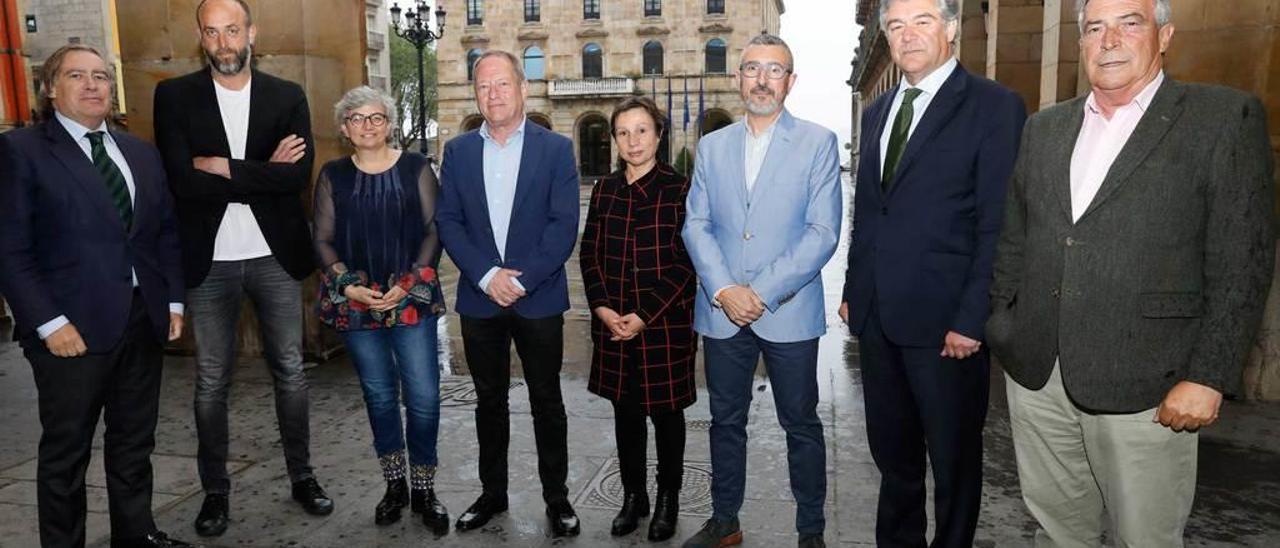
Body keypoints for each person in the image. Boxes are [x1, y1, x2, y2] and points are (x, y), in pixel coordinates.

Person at [986, 0, 1275, 545]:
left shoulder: (1220, 119)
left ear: (1164, 36)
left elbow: (1243, 259)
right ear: (1081, 44)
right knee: (1058, 531)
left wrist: (1209, 374)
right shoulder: (1045, 128)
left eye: (1129, 22)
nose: (1110, 39)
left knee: (1146, 536)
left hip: (1150, 383)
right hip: (1038, 377)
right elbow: (1015, 239)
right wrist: (1005, 321)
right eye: (1095, 27)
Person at [838, 0, 1027, 546]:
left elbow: (1000, 224)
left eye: (922, 22)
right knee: (894, 462)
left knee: (954, 465)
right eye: (895, 26)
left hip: (949, 328)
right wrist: (854, 291)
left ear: (949, 30)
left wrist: (974, 318)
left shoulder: (994, 107)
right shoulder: (877, 112)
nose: (907, 35)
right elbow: (870, 211)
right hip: (880, 322)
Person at [152, 0, 331, 537]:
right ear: (200, 38)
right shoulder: (174, 96)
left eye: (232, 30)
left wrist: (224, 167)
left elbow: (295, 178)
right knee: (210, 382)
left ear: (251, 31)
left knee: (291, 373)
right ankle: (214, 494)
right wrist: (261, 170)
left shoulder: (286, 96)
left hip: (274, 256)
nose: (223, 42)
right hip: (209, 262)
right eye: (212, 32)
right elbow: (182, 183)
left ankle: (303, 477)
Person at [0, 44, 190, 548]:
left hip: (140, 320)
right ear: (50, 87)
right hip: (70, 331)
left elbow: (164, 233)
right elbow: (9, 248)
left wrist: (171, 302)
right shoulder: (21, 151)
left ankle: (137, 534)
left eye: (101, 76)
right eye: (77, 75)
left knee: (134, 442)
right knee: (67, 453)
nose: (91, 85)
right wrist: (47, 323)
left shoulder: (139, 153)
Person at [680, 34, 842, 548]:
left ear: (790, 82)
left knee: (801, 424)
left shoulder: (818, 143)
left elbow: (823, 233)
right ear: (738, 78)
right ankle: (725, 520)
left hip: (789, 312)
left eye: (775, 71)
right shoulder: (711, 146)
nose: (763, 80)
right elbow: (696, 224)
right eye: (753, 68)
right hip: (722, 312)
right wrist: (726, 288)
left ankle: (810, 531)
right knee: (725, 421)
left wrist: (761, 292)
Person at [435, 50, 582, 538]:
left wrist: (519, 280)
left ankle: (557, 498)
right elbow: (449, 222)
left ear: (523, 89)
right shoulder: (457, 153)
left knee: (547, 401)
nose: (492, 95)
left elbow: (564, 226)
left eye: (502, 85)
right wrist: (485, 275)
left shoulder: (556, 149)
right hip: (480, 300)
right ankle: (492, 494)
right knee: (488, 401)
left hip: (537, 298)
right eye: (483, 87)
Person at [312, 86, 450, 533]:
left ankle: (425, 487)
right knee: (379, 396)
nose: (367, 125)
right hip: (357, 307)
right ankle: (395, 486)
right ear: (344, 129)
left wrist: (410, 283)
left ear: (390, 123)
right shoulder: (333, 175)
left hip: (409, 302)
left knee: (425, 398)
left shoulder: (416, 168)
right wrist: (348, 285)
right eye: (356, 118)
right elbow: (322, 238)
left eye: (376, 117)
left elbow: (434, 231)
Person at [579, 96, 697, 542]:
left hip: (663, 328)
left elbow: (687, 263)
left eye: (642, 130)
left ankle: (668, 499)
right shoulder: (605, 190)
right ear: (614, 139)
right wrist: (603, 307)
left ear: (659, 134)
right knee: (625, 416)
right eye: (623, 133)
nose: (633, 141)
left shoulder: (680, 189)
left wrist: (644, 315)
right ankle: (634, 497)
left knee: (667, 418)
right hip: (613, 328)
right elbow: (589, 252)